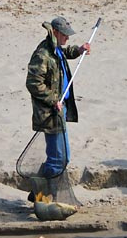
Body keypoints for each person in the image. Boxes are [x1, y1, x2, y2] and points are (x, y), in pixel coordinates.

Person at [25, 16, 91, 181]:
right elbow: (33, 83)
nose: (67, 38)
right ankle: (43, 193)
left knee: (64, 158)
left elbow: (64, 54)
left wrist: (79, 50)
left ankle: (41, 190)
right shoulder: (42, 54)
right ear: (54, 32)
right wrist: (54, 100)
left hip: (61, 111)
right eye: (64, 35)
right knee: (57, 160)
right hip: (50, 114)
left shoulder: (56, 49)